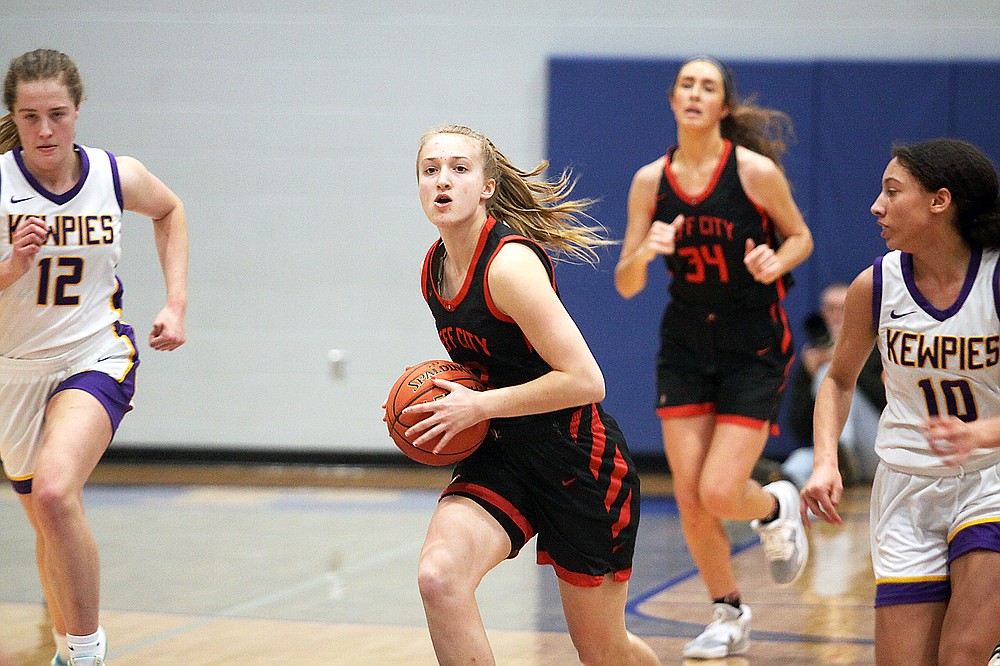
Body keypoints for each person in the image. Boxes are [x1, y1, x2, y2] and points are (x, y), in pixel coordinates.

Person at [402, 124, 660, 665]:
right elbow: (487, 367)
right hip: (501, 454)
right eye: (431, 170)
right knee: (438, 578)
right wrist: (449, 398)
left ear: (487, 186)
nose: (442, 181)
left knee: (602, 651)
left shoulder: (510, 266)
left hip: (577, 460)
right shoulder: (434, 269)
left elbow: (588, 380)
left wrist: (478, 405)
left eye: (459, 168)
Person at [613, 56, 813, 659]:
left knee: (722, 491)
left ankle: (777, 504)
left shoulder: (752, 172)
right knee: (691, 493)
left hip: (751, 341)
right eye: (686, 85)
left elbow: (800, 236)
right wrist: (645, 252)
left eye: (708, 87)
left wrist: (776, 262)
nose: (695, 94)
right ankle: (728, 612)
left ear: (723, 106)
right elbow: (625, 282)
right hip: (685, 344)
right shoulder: (651, 181)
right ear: (673, 101)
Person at [0, 49, 188, 666]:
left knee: (56, 494)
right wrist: (11, 268)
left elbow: (170, 210)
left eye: (57, 114)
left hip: (95, 354)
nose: (45, 130)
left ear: (78, 111)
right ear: (14, 117)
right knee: (46, 525)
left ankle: (85, 653)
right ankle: (64, 647)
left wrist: (175, 304)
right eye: (30, 117)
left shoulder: (114, 175)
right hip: (15, 372)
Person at [801, 138, 1000, 665]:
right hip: (906, 485)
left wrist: (983, 433)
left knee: (961, 656)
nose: (876, 205)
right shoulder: (877, 285)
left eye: (893, 191)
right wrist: (824, 462)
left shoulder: (996, 278)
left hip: (991, 476)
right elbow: (838, 382)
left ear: (940, 201)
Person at [782, 282, 885, 487]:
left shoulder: (879, 346)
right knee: (793, 466)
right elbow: (799, 428)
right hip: (827, 452)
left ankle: (840, 454)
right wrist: (809, 377)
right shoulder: (813, 356)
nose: (837, 315)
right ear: (822, 313)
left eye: (844, 308)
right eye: (831, 309)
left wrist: (842, 362)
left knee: (829, 374)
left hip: (876, 447)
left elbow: (886, 403)